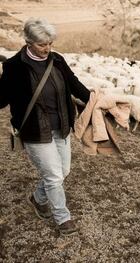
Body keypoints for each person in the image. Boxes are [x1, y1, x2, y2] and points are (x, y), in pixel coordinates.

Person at [0, 18, 90, 236]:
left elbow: (74, 84)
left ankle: (37, 198)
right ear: (29, 41)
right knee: (53, 176)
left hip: (61, 125)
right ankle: (63, 218)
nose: (47, 48)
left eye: (50, 43)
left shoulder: (57, 60)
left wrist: (93, 100)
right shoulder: (14, 67)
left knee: (64, 171)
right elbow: (2, 98)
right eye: (42, 44)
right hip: (34, 130)